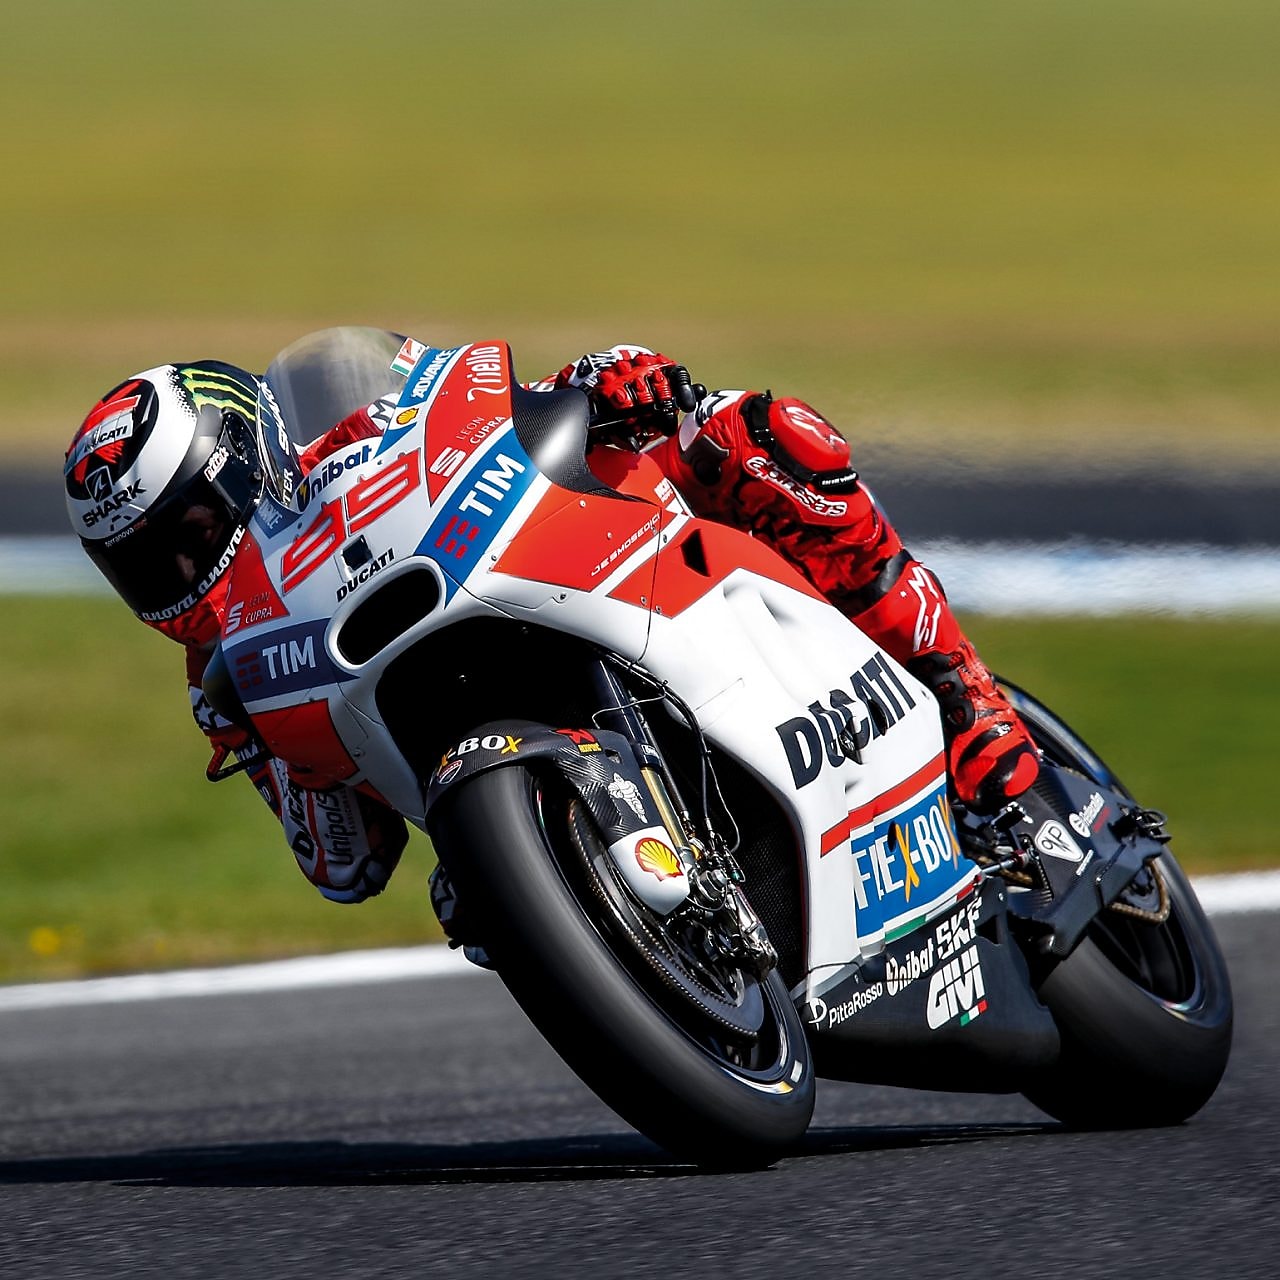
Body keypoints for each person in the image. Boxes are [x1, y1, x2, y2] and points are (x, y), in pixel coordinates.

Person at [64, 341, 1039, 938]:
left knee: (759, 433)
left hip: (558, 559)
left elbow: (479, 410)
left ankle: (959, 686)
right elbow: (347, 869)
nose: (180, 571)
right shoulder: (228, 676)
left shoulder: (344, 438)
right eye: (143, 566)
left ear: (244, 459)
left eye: (192, 529)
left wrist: (599, 380)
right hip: (481, 777)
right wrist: (276, 761)